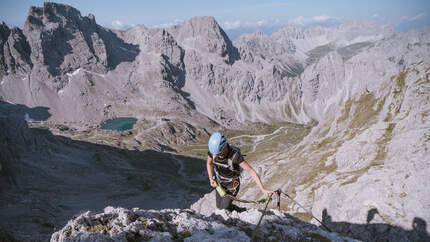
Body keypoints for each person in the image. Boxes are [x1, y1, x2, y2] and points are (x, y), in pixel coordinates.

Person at [207, 132, 274, 212]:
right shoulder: (214, 152)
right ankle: (238, 210)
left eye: (220, 153)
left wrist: (262, 189)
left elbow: (251, 171)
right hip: (219, 183)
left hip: (232, 186)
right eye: (217, 154)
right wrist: (211, 179)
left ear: (225, 145)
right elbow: (209, 163)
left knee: (224, 207)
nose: (218, 156)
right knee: (219, 206)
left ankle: (241, 211)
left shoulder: (235, 156)